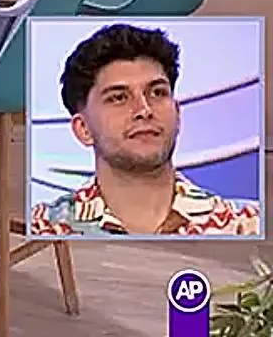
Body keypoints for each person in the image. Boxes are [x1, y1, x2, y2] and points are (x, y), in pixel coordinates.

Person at [29, 23, 260, 236]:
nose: (144, 110)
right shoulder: (44, 228)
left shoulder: (247, 223)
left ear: (177, 113)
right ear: (83, 129)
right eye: (118, 97)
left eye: (157, 93)